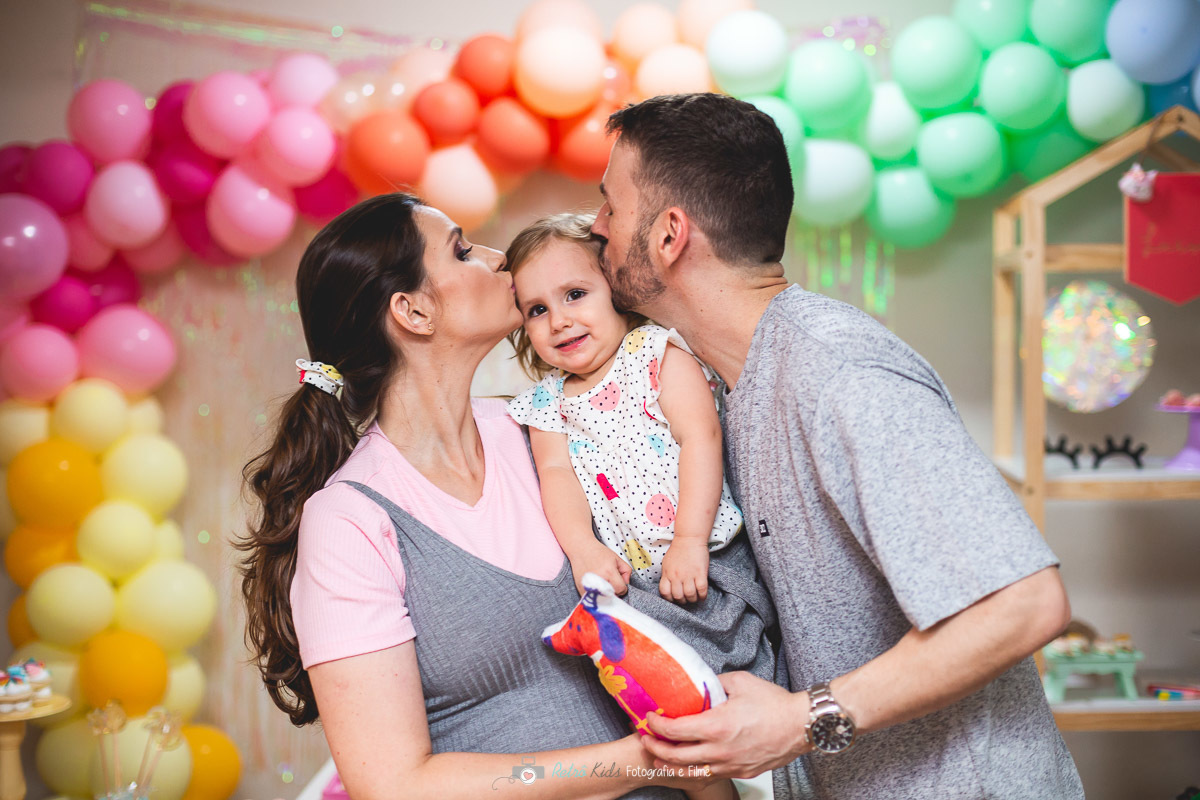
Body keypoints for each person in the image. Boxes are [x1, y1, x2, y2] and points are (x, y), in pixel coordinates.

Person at [588, 93, 1085, 799]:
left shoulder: (839, 371)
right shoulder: (721, 387)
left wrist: (801, 719)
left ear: (670, 235)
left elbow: (1024, 602)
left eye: (610, 204)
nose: (597, 226)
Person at [238, 193, 714, 800]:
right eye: (463, 251)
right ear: (412, 311)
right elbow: (393, 786)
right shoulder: (348, 521)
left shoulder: (543, 431)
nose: (498, 260)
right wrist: (638, 762)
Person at [504, 212, 780, 800]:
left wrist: (687, 541)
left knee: (747, 689)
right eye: (537, 309)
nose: (559, 320)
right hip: (637, 587)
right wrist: (584, 547)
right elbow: (558, 479)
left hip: (706, 557)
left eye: (575, 294)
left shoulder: (655, 352)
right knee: (669, 718)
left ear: (614, 288)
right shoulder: (547, 404)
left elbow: (700, 439)